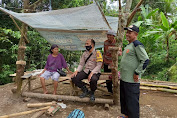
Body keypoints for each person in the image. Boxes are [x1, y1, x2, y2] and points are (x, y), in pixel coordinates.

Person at [119, 25, 149, 118]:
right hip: (124, 78)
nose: (127, 34)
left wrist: (137, 72)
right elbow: (129, 60)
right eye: (127, 32)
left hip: (132, 81)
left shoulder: (137, 44)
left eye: (129, 32)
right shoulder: (129, 45)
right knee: (125, 100)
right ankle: (126, 115)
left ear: (135, 34)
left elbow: (145, 60)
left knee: (132, 102)